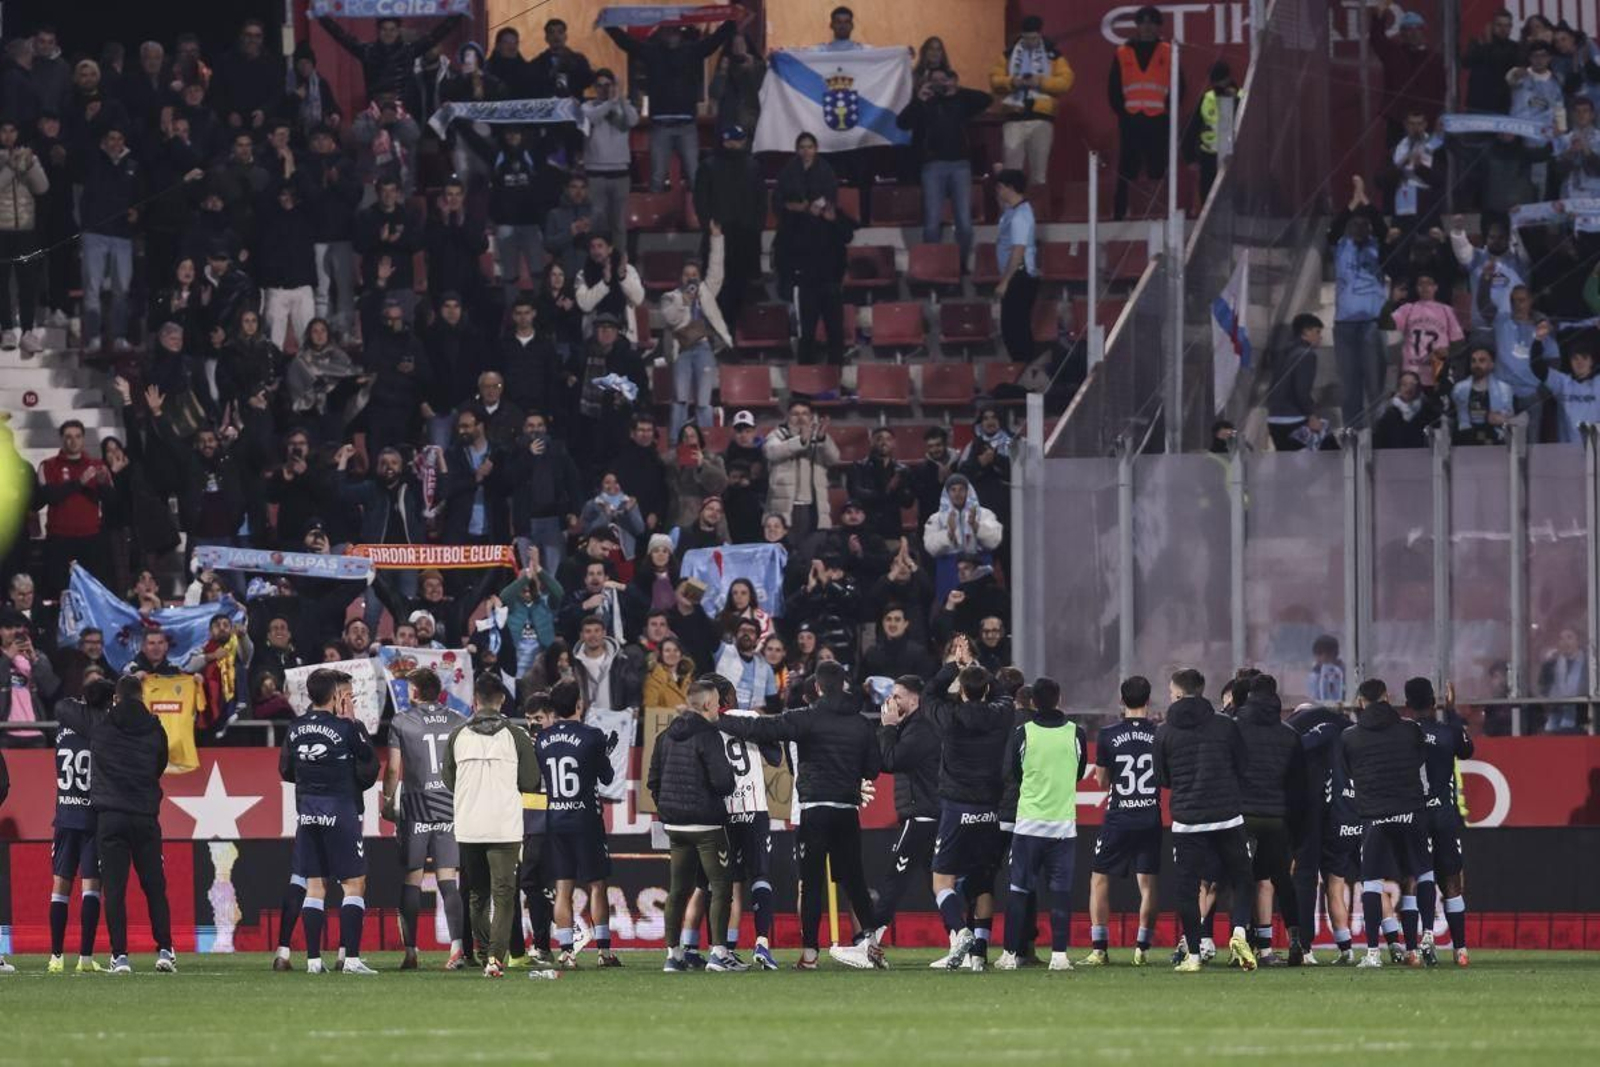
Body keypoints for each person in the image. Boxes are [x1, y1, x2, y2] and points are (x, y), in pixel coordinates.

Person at [718, 659, 880, 970]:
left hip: (814, 811)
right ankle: (871, 946)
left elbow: (759, 728)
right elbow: (873, 768)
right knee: (855, 881)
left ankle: (810, 956)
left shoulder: (806, 718)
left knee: (811, 883)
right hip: (847, 811)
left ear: (818, 687)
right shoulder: (861, 723)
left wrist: (717, 718)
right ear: (844, 684)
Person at [54, 676, 176, 975]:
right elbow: (160, 766)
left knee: (115, 889)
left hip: (110, 817)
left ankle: (119, 956)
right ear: (142, 695)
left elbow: (62, 708)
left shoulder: (101, 725)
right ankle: (164, 950)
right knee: (155, 886)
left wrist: (93, 694)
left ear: (117, 698)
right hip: (145, 816)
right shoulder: (155, 728)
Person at [912, 640, 1012, 971]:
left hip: (957, 807)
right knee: (983, 880)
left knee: (942, 881)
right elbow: (1004, 695)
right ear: (985, 690)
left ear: (963, 691)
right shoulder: (1000, 714)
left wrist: (954, 666)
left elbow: (928, 695)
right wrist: (974, 665)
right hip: (990, 809)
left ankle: (960, 932)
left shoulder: (949, 718)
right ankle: (978, 955)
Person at [1152, 668, 1259, 972]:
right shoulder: (1225, 725)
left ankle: (1195, 955)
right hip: (1227, 815)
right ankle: (1239, 932)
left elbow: (1163, 778)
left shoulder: (1164, 731)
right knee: (1242, 879)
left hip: (1188, 819)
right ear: (1201, 691)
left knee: (1187, 889)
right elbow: (1243, 764)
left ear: (1177, 694)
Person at [279, 668, 379, 974]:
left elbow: (285, 771)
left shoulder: (294, 727)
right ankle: (350, 959)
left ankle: (312, 961)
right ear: (335, 695)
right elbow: (369, 763)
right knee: (354, 884)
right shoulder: (345, 727)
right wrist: (352, 724)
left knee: (314, 887)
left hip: (307, 811)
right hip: (339, 810)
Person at [444, 674, 543, 978]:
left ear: (475, 701)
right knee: (503, 894)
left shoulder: (457, 735)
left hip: (469, 825)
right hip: (503, 826)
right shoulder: (517, 735)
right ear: (501, 700)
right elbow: (531, 782)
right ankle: (495, 960)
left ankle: (486, 951)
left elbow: (449, 780)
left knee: (477, 894)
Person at [648, 679, 740, 972]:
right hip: (707, 826)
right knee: (721, 887)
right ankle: (719, 953)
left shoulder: (665, 736)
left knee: (678, 889)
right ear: (708, 705)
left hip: (675, 827)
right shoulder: (709, 736)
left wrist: (669, 808)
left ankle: (673, 956)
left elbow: (653, 781)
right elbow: (723, 782)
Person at [995, 676, 1085, 971]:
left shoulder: (1024, 733)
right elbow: (1079, 772)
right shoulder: (1076, 733)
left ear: (1033, 702)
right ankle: (1059, 955)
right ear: (1059, 699)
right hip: (1063, 827)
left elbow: (1015, 772)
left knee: (1019, 890)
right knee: (1060, 892)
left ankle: (1009, 954)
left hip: (1029, 826)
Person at [1338, 678, 1429, 968]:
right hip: (1410, 812)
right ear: (1387, 697)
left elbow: (1349, 772)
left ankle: (1373, 953)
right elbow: (1419, 761)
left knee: (1372, 884)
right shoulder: (1410, 729)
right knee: (1416, 876)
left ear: (1361, 701)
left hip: (1374, 815)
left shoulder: (1350, 736)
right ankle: (1414, 950)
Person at [382, 669, 467, 971]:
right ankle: (457, 949)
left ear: (415, 692)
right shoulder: (459, 719)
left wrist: (387, 802)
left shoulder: (402, 721)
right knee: (448, 880)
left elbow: (393, 769)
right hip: (449, 806)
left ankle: (411, 952)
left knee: (412, 880)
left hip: (416, 808)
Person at [536, 680, 621, 967]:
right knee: (597, 885)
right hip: (585, 818)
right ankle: (603, 951)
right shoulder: (592, 735)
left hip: (556, 818)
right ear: (578, 705)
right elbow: (607, 777)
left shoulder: (542, 739)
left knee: (563, 888)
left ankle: (567, 952)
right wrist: (604, 755)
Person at [1079, 676, 1160, 967]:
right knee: (1148, 885)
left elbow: (1102, 781)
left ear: (1122, 701)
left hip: (1119, 816)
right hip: (1150, 816)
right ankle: (1142, 947)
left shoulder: (1108, 734)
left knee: (1100, 879)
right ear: (1148, 700)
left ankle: (1100, 949)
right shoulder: (1159, 733)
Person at [604, 18, 736, 193]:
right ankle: (656, 217)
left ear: (680, 33)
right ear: (661, 33)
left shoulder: (692, 50)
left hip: (687, 124)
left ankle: (699, 218)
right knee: (657, 177)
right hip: (660, 125)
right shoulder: (651, 51)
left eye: (675, 31)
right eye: (668, 31)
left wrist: (731, 23)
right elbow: (628, 43)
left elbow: (713, 41)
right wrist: (609, 25)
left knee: (694, 175)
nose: (672, 34)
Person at [1234, 675, 1307, 966]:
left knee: (1242, 880)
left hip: (1242, 816)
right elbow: (1298, 788)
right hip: (1276, 818)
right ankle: (1295, 939)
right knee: (1281, 881)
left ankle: (1239, 942)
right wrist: (1297, 833)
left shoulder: (1235, 729)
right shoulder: (1289, 735)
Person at [1402, 678, 1473, 967]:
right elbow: (1467, 749)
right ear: (1434, 703)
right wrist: (1453, 711)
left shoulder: (1401, 733)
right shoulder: (1449, 732)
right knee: (1452, 881)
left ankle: (1411, 950)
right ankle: (1460, 950)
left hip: (1413, 813)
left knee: (1411, 879)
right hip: (1443, 814)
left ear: (1407, 705)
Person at [865, 674, 939, 948]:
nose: (892, 702)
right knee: (940, 884)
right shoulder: (912, 727)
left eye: (897, 696)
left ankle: (870, 943)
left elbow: (891, 760)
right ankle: (962, 940)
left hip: (920, 814)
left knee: (893, 882)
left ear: (914, 698)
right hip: (925, 812)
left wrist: (887, 727)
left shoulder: (920, 729)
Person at [895, 68, 993, 267]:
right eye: (935, 81)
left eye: (944, 80)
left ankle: (961, 265)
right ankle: (934, 266)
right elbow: (902, 123)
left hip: (961, 166)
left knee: (964, 223)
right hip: (933, 166)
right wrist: (919, 99)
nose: (940, 84)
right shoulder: (925, 103)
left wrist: (957, 90)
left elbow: (986, 99)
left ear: (952, 81)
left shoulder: (961, 101)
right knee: (931, 222)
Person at [1286, 699, 1358, 965]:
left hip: (1308, 812)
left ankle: (1304, 949)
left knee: (1304, 879)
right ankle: (1351, 948)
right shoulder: (1342, 730)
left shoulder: (1295, 731)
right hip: (1344, 812)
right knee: (1339, 882)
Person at [46, 668, 105, 973]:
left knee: (60, 886)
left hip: (65, 814)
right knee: (91, 887)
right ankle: (85, 957)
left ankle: (56, 957)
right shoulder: (103, 730)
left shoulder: (63, 727)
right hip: (92, 817)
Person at [1109, 7, 1181, 220]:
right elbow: (1113, 87)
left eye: (1151, 23)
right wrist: (1122, 113)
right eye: (1143, 22)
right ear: (1137, 26)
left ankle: (1160, 212)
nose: (1147, 27)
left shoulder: (1168, 51)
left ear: (1158, 26)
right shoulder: (1122, 52)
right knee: (1126, 167)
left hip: (1158, 118)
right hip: (1131, 118)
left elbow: (1179, 84)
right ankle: (1120, 214)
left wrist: (1169, 109)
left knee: (1158, 166)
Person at [773, 180, 856, 365]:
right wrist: (792, 278)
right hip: (805, 285)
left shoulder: (834, 216)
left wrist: (833, 220)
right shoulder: (794, 220)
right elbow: (783, 250)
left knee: (835, 333)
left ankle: (836, 377)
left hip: (831, 284)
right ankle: (804, 383)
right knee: (807, 334)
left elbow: (848, 234)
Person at [660, 224, 729, 440]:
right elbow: (670, 318)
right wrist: (684, 301)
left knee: (703, 402)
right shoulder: (670, 297)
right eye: (686, 274)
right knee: (680, 400)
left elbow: (716, 271)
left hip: (703, 349)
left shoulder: (706, 293)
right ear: (681, 277)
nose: (690, 278)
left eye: (694, 275)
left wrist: (717, 239)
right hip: (682, 350)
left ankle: (707, 444)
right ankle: (674, 444)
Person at [78, 125, 143, 352]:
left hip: (122, 237)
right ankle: (94, 337)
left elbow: (140, 196)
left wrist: (137, 212)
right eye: (111, 138)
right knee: (92, 288)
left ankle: (118, 337)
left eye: (119, 138)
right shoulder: (94, 162)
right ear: (104, 142)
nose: (115, 143)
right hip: (94, 234)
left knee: (121, 290)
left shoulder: (133, 166)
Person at [1330, 179, 1389, 428]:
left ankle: (1380, 432)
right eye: (1354, 224)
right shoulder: (1341, 246)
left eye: (1363, 224)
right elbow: (1334, 231)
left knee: (1375, 383)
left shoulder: (1378, 247)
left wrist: (1367, 204)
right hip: (1344, 325)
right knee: (1350, 385)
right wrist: (1352, 204)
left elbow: (1383, 231)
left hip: (1371, 324)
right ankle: (1352, 432)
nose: (1359, 228)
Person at [694, 125, 765, 327]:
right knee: (715, 287)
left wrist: (756, 228)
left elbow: (761, 201)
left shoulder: (753, 166)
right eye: (731, 140)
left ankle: (733, 336)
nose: (734, 144)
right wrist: (709, 228)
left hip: (745, 236)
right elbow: (701, 202)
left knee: (741, 288)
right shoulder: (708, 166)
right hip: (718, 235)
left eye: (738, 140)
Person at [991, 16, 1073, 185]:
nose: (1030, 42)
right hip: (1014, 117)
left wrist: (1041, 82)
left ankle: (1037, 211)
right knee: (1011, 174)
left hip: (1041, 118)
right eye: (1027, 38)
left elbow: (1066, 81)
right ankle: (1013, 211)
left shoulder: (1053, 54)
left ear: (1040, 35)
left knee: (1039, 176)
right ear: (1021, 35)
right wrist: (1012, 82)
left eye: (1034, 38)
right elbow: (994, 80)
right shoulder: (1008, 54)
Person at [316, 10, 466, 103]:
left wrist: (460, 12)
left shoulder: (409, 51)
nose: (388, 33)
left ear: (398, 31)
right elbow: (341, 36)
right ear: (378, 31)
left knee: (409, 137)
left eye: (392, 30)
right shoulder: (367, 51)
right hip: (374, 109)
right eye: (384, 29)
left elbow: (436, 35)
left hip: (403, 108)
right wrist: (320, 15)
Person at [38, 420, 110, 598]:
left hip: (90, 538)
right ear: (61, 439)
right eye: (68, 437)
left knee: (92, 593)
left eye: (78, 436)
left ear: (83, 439)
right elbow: (48, 496)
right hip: (59, 539)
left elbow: (111, 501)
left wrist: (103, 484)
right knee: (59, 592)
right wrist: (79, 483)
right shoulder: (48, 465)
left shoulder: (97, 466)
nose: (73, 441)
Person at [0, 119, 49, 353]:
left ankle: (28, 331)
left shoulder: (30, 157)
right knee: (1, 283)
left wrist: (30, 166)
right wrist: (11, 168)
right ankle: (7, 329)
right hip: (1, 231)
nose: (9, 136)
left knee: (28, 283)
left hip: (27, 231)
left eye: (12, 131)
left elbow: (42, 188)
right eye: (4, 131)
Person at [763, 399, 840, 543]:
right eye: (795, 414)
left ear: (811, 418)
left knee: (810, 555)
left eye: (805, 414)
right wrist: (801, 441)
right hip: (785, 509)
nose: (800, 418)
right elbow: (771, 452)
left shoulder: (820, 438)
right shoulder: (778, 435)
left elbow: (834, 459)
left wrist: (822, 438)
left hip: (813, 508)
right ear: (787, 417)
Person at [580, 69, 637, 252]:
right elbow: (593, 118)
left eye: (608, 85)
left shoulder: (623, 104)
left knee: (618, 222)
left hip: (620, 172)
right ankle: (597, 257)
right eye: (600, 85)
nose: (604, 89)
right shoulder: (587, 106)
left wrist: (620, 99)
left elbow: (633, 121)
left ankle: (620, 260)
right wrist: (611, 103)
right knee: (597, 218)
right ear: (594, 88)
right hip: (596, 172)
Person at [994, 169, 1040, 364]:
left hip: (1018, 277)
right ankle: (1024, 369)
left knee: (1015, 330)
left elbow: (1018, 251)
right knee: (1012, 328)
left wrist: (1005, 282)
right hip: (1018, 277)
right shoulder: (1012, 210)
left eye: (1001, 187)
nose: (998, 191)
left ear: (1010, 188)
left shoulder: (1021, 216)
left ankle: (1027, 371)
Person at [1451, 346, 1514, 446]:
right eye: (1473, 361)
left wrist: (1502, 419)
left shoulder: (1504, 389)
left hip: (1494, 439)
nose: (1477, 365)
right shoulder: (1459, 389)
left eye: (1482, 361)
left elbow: (1510, 418)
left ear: (1492, 364)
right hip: (1466, 439)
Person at [1373, 371, 1443, 449]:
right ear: (1398, 388)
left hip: (1421, 457)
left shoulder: (1427, 411)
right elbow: (1378, 439)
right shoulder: (1388, 412)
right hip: (1393, 457)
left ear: (1418, 388)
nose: (1409, 388)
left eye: (1412, 384)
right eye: (1404, 384)